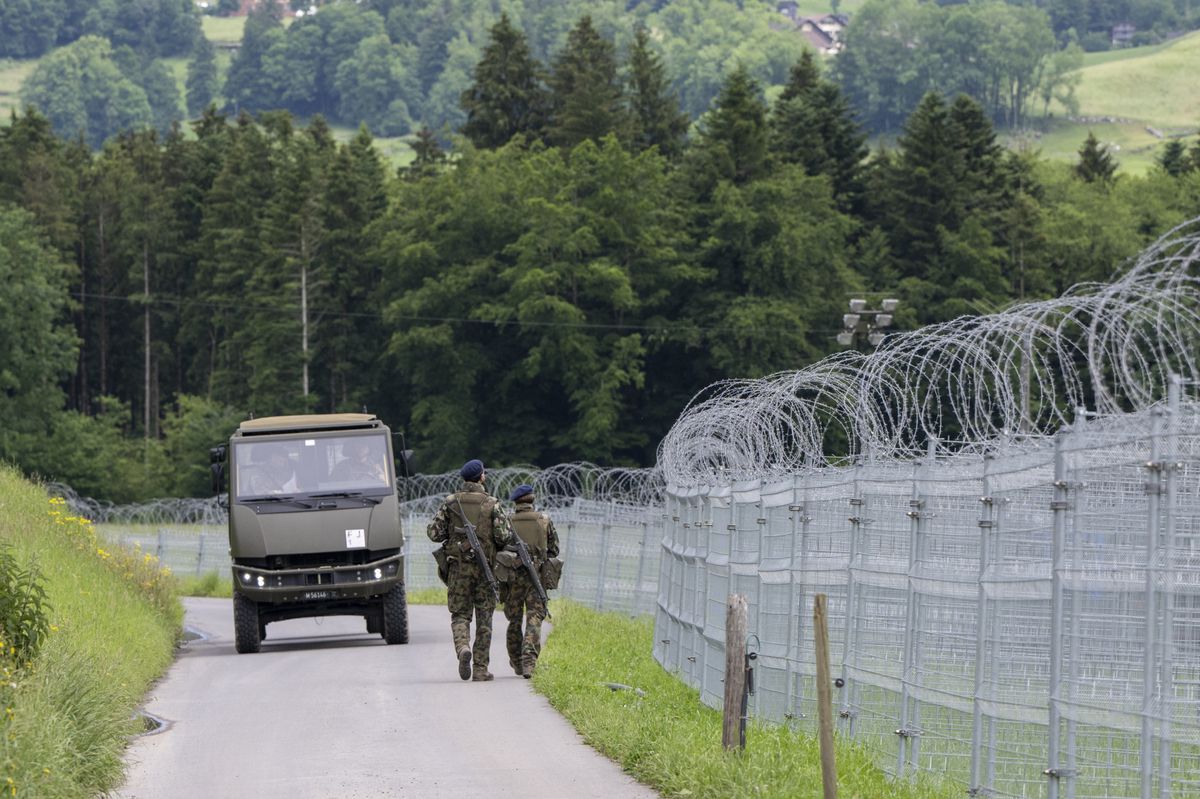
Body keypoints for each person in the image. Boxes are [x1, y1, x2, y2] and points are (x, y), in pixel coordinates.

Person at [426, 458, 513, 682]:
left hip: (458, 569)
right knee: (485, 618)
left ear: (464, 479)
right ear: (481, 477)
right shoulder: (492, 504)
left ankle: (463, 647)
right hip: (487, 570)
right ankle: (481, 669)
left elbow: (434, 534)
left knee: (460, 615)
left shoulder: (451, 502)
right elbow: (504, 536)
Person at [503, 483, 560, 679]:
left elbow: (499, 546)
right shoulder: (543, 520)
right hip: (537, 577)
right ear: (532, 499)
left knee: (514, 619)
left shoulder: (507, 521)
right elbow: (554, 549)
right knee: (535, 618)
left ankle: (517, 662)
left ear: (516, 501)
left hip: (513, 577)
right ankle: (529, 662)